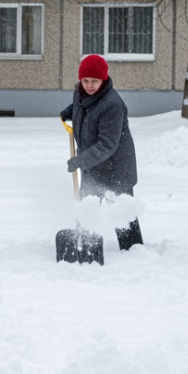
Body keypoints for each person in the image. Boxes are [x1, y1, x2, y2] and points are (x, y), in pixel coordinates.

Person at [60, 54, 142, 249]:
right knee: (86, 209)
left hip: (117, 169)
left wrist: (80, 161)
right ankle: (84, 247)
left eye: (94, 81)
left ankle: (134, 253)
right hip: (93, 165)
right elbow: (84, 106)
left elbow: (107, 145)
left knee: (123, 216)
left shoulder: (112, 105)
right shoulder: (80, 92)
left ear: (103, 80)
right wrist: (71, 112)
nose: (89, 85)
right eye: (85, 80)